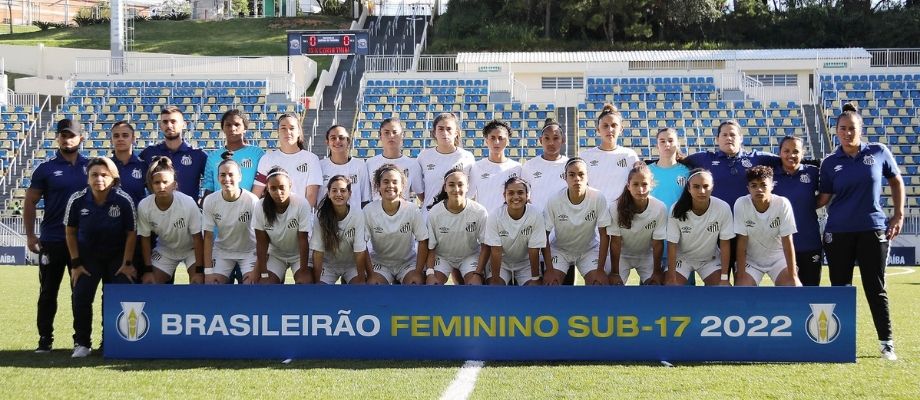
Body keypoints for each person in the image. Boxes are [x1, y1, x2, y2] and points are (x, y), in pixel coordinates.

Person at [818, 103, 904, 361]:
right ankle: (840, 342)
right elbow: (823, 198)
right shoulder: (830, 162)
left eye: (852, 128)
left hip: (872, 229)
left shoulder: (879, 152)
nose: (847, 133)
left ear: (860, 129)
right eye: (842, 128)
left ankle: (886, 343)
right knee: (840, 289)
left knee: (875, 287)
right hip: (838, 233)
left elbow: (896, 181)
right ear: (836, 131)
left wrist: (898, 215)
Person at [683, 120, 781, 276]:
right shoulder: (704, 159)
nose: (729, 138)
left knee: (742, 278)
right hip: (716, 231)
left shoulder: (757, 158)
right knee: (720, 280)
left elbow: (787, 160)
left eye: (733, 134)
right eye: (725, 135)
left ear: (741, 138)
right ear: (717, 139)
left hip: (746, 230)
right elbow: (679, 161)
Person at [24, 118, 88, 353]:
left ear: (81, 138)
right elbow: (30, 201)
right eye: (63, 135)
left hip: (82, 242)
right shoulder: (46, 168)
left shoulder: (90, 167)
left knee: (79, 294)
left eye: (71, 135)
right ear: (58, 138)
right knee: (48, 292)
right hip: (52, 240)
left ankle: (81, 341)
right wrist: (31, 235)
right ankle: (45, 340)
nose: (67, 139)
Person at [63, 157, 137, 358]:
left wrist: (127, 263)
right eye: (94, 175)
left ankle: (110, 341)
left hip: (117, 258)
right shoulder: (77, 199)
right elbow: (70, 232)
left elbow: (131, 233)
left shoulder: (123, 200)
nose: (99, 179)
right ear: (87, 178)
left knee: (115, 299)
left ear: (113, 178)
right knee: (81, 297)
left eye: (104, 175)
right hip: (88, 258)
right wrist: (76, 264)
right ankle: (82, 342)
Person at [542, 158, 612, 286]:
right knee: (551, 283)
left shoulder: (598, 198)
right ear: (565, 177)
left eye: (581, 174)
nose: (577, 178)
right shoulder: (554, 200)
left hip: (588, 250)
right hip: (560, 250)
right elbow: (544, 235)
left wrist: (600, 270)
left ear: (587, 176)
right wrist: (550, 270)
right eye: (572, 175)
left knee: (599, 284)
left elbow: (604, 235)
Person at [137, 157, 205, 284]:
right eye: (157, 183)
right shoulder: (144, 206)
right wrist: (148, 270)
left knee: (198, 284)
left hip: (191, 250)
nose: (161, 186)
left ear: (174, 185)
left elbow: (197, 238)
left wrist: (200, 271)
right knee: (150, 283)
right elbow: (145, 239)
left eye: (166, 182)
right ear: (151, 185)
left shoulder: (188, 203)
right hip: (165, 249)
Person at [665, 169, 735, 286]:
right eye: (696, 187)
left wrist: (724, 278)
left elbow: (725, 244)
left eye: (706, 186)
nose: (702, 191)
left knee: (723, 292)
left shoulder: (722, 207)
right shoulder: (676, 209)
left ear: (712, 187)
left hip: (710, 260)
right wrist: (672, 278)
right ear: (689, 188)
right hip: (682, 259)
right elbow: (672, 245)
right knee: (669, 289)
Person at [732, 166, 799, 287]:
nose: (759, 189)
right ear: (748, 188)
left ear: (772, 186)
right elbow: (742, 243)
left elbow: (788, 242)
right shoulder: (741, 204)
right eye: (754, 185)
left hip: (778, 259)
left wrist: (793, 276)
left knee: (794, 289)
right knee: (742, 293)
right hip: (751, 261)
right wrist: (741, 276)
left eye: (763, 185)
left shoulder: (782, 203)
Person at [201, 152, 260, 284]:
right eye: (223, 175)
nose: (227, 178)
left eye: (231, 174)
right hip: (222, 252)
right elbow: (208, 237)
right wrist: (208, 272)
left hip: (249, 252)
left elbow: (261, 236)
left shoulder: (252, 200)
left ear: (239, 177)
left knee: (251, 286)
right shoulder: (210, 201)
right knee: (213, 285)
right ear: (217, 177)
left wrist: (256, 270)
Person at [364, 164, 428, 285]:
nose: (390, 186)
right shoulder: (369, 210)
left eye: (395, 182)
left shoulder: (412, 209)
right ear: (378, 186)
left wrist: (418, 272)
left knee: (416, 283)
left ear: (402, 186)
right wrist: (371, 274)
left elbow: (423, 241)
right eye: (386, 182)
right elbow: (361, 244)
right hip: (379, 264)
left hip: (407, 263)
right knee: (373, 285)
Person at [424, 168, 489, 285]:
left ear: (467, 187)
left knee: (476, 286)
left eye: (460, 184)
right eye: (451, 185)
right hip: (442, 257)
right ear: (445, 187)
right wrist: (430, 274)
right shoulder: (435, 212)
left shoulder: (479, 211)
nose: (456, 189)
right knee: (432, 287)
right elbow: (431, 247)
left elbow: (485, 245)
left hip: (469, 256)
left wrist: (478, 274)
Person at [772, 136, 822, 286]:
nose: (791, 155)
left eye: (796, 151)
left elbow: (827, 193)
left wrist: (808, 205)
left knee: (810, 291)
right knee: (786, 294)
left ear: (803, 154)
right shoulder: (770, 175)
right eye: (786, 151)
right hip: (778, 246)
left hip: (808, 241)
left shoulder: (813, 173)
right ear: (779, 153)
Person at [608, 162, 667, 286]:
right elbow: (615, 242)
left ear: (651, 185)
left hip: (646, 256)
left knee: (656, 286)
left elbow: (657, 244)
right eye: (635, 184)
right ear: (628, 186)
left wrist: (656, 272)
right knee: (613, 288)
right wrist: (614, 273)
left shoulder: (659, 208)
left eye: (645, 184)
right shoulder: (615, 208)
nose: (640, 189)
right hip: (622, 256)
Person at [646, 127, 692, 284]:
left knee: (680, 295)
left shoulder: (686, 172)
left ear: (678, 144)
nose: (667, 144)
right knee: (652, 292)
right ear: (656, 145)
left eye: (671, 140)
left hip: (681, 243)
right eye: (662, 141)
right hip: (652, 242)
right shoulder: (647, 171)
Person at [251, 167, 313, 284]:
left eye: (282, 187)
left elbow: (303, 240)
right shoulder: (260, 206)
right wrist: (263, 272)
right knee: (265, 285)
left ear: (290, 186)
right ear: (268, 189)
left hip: (299, 255)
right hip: (276, 255)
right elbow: (261, 243)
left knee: (305, 282)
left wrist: (304, 270)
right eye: (273, 188)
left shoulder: (301, 204)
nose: (278, 192)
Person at [484, 177, 546, 286]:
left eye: (520, 192)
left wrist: (535, 279)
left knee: (534, 291)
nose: (516, 197)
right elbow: (496, 251)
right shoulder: (495, 216)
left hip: (525, 263)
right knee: (495, 289)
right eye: (511, 193)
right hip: (502, 263)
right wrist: (495, 279)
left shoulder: (536, 214)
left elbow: (534, 250)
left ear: (527, 195)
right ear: (505, 195)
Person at [253, 113, 322, 208]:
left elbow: (311, 196)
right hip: (273, 218)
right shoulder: (267, 159)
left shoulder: (311, 159)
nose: (288, 132)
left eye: (292, 128)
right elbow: (257, 192)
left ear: (298, 132)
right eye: (283, 128)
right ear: (278, 132)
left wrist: (300, 215)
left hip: (300, 217)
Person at [139, 106, 207, 201]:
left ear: (184, 124)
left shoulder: (198, 155)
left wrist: (202, 204)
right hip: (157, 212)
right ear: (160, 125)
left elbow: (212, 184)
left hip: (188, 212)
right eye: (165, 122)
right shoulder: (149, 153)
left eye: (173, 121)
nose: (169, 125)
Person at [311, 175, 369, 284]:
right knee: (320, 295)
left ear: (349, 194)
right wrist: (316, 282)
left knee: (358, 290)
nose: (338, 194)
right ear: (328, 193)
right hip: (328, 265)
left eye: (343, 190)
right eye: (334, 190)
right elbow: (318, 251)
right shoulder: (320, 216)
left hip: (352, 265)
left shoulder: (358, 215)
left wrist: (361, 280)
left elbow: (360, 251)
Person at [579, 104, 639, 204]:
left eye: (614, 125)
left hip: (622, 212)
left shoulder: (630, 155)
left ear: (621, 129)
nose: (610, 129)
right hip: (595, 213)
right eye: (605, 126)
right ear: (598, 129)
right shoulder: (585, 156)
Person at [417, 113, 476, 213]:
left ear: (456, 132)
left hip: (458, 216)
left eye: (449, 129)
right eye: (440, 129)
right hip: (429, 215)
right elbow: (419, 189)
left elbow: (471, 190)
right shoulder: (424, 156)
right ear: (434, 132)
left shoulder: (467, 157)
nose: (445, 133)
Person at [202, 109, 265, 198]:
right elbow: (209, 189)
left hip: (250, 208)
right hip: (221, 209)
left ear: (245, 128)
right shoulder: (213, 157)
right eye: (228, 125)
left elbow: (263, 186)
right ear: (223, 128)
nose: (232, 128)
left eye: (237, 125)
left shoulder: (257, 154)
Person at [469, 120, 523, 214]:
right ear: (486, 141)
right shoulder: (477, 167)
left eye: (500, 138)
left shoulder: (517, 168)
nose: (496, 142)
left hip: (509, 223)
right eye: (492, 138)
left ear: (507, 141)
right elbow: (469, 196)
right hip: (484, 223)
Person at [364, 117, 423, 202]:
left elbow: (421, 195)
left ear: (402, 135)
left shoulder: (412, 164)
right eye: (386, 133)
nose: (391, 136)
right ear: (380, 136)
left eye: (395, 132)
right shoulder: (370, 163)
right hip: (376, 213)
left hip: (403, 212)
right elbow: (366, 195)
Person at [319, 125, 371, 210]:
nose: (337, 141)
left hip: (354, 220)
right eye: (333, 138)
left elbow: (365, 199)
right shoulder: (320, 166)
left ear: (348, 141)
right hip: (326, 220)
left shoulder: (360, 165)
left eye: (341, 138)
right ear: (327, 142)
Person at [522, 118, 569, 211]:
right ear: (540, 140)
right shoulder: (529, 166)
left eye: (556, 138)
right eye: (547, 138)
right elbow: (524, 196)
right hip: (538, 221)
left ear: (563, 140)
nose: (551, 142)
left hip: (564, 222)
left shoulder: (569, 165)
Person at [109, 121, 146, 205]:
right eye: (116, 136)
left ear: (133, 139)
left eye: (125, 135)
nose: (120, 139)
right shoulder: (105, 166)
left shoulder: (143, 166)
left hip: (137, 216)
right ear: (111, 140)